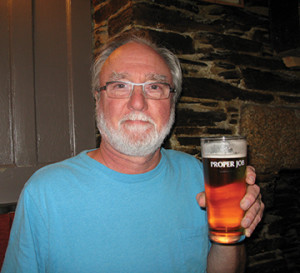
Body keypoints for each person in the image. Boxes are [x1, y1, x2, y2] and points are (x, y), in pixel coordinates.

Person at [1, 33, 264, 273]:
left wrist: (232, 230)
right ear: (97, 99)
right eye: (120, 85)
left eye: (154, 87)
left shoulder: (199, 174)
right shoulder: (44, 193)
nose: (137, 103)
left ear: (172, 102)